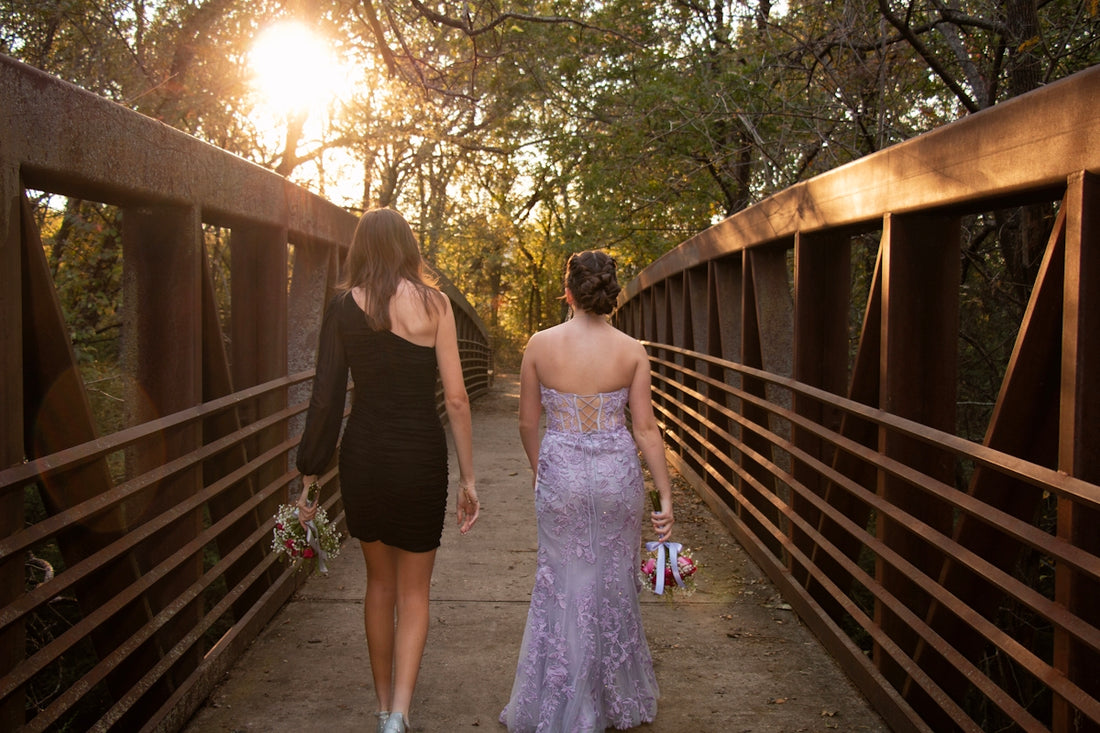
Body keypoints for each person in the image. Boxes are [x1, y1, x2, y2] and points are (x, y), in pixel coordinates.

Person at [295, 208, 479, 733]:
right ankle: (400, 713)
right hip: (420, 456)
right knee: (415, 591)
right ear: (407, 247)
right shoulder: (435, 304)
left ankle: (381, 710)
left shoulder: (341, 308)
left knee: (379, 585)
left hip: (365, 456)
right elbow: (459, 399)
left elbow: (326, 396)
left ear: (360, 249)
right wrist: (469, 479)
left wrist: (309, 475)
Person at [500, 250, 674, 732]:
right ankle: (613, 696)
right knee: (613, 581)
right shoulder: (632, 350)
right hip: (617, 475)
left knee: (563, 581)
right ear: (609, 293)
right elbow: (645, 429)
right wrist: (664, 495)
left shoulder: (539, 344)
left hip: (563, 475)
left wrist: (543, 469)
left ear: (569, 290)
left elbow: (527, 421)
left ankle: (565, 702)